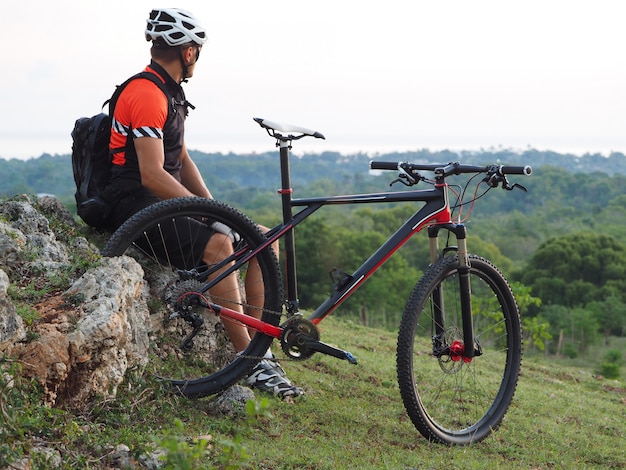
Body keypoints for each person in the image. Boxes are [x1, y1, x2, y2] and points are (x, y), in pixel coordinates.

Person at [103, 8, 303, 398]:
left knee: (260, 238)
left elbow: (183, 159)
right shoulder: (145, 93)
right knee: (219, 245)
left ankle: (261, 346)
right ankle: (250, 361)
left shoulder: (168, 92)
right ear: (189, 52)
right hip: (135, 205)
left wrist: (222, 213)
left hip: (163, 201)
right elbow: (152, 174)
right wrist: (213, 220)